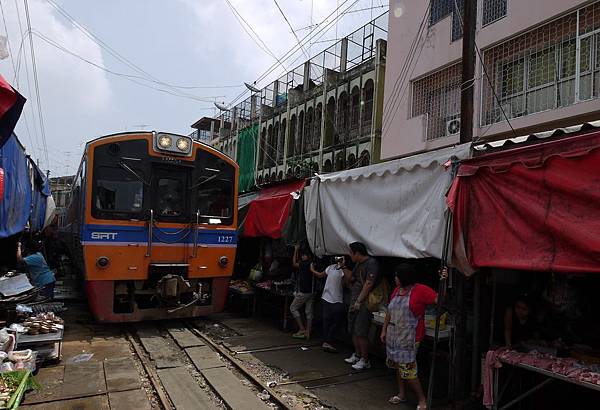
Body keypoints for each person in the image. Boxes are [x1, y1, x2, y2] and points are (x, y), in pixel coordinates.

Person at [380, 263, 446, 409]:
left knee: (408, 370)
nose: (395, 278)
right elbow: (389, 312)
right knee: (398, 366)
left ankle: (422, 400)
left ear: (404, 277)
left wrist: (444, 281)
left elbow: (439, 299)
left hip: (410, 338)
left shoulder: (420, 290)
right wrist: (384, 330)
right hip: (393, 336)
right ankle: (402, 394)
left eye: (397, 276)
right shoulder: (397, 290)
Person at [342, 242, 380, 371]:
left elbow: (369, 283)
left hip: (364, 302)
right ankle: (357, 355)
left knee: (361, 331)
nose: (349, 255)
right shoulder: (358, 264)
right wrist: (342, 266)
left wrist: (359, 301)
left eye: (351, 253)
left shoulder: (371, 263)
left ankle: (365, 359)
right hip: (354, 299)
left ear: (357, 253)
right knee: (353, 329)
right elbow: (351, 278)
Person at [311, 256, 346, 353]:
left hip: (337, 299)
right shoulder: (330, 267)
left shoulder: (343, 270)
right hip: (327, 297)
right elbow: (320, 275)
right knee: (327, 321)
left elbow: (346, 282)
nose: (338, 259)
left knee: (335, 321)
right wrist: (312, 270)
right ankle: (327, 341)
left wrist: (343, 267)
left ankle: (328, 340)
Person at [290, 245, 315, 339]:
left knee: (293, 308)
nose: (302, 256)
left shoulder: (305, 264)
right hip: (312, 291)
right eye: (302, 255)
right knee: (309, 311)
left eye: (304, 255)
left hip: (304, 291)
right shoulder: (313, 263)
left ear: (308, 256)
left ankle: (301, 329)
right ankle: (308, 331)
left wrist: (295, 250)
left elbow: (294, 263)